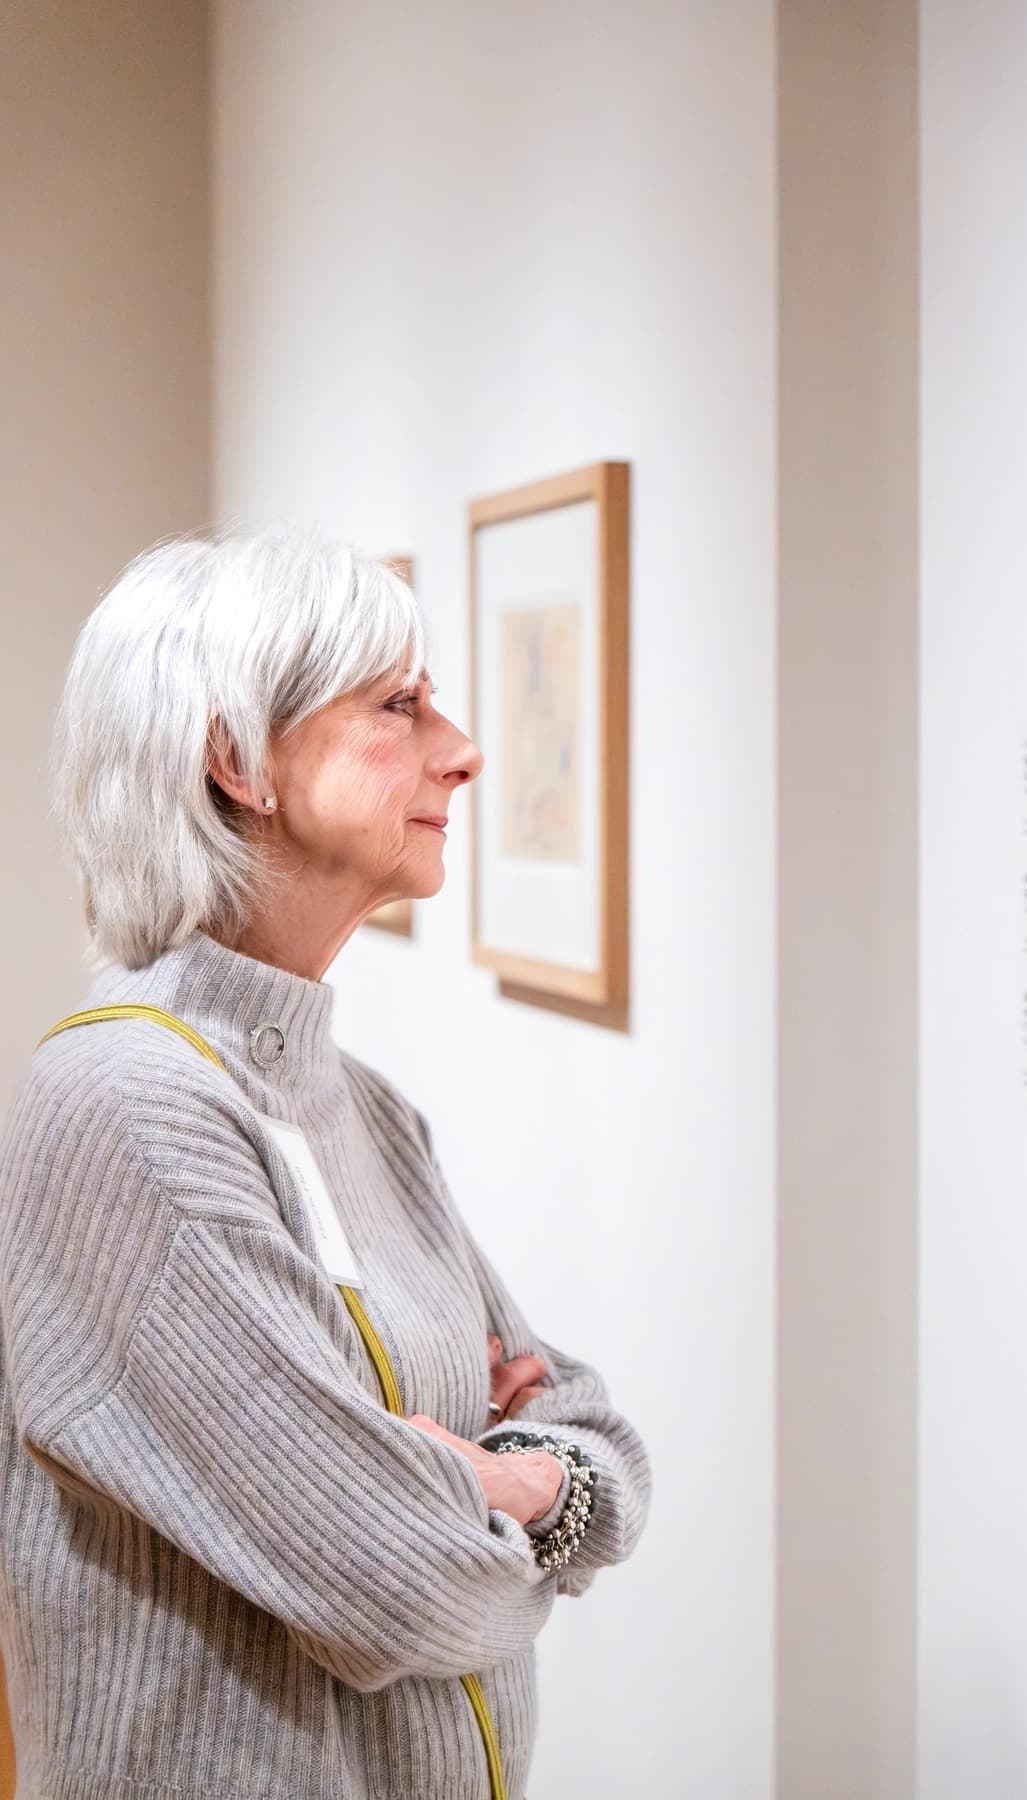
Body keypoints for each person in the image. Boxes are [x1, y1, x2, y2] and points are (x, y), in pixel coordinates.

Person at [0, 527, 650, 1800]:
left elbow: (590, 1424)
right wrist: (491, 1493)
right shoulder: (125, 1111)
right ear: (237, 760)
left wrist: (512, 1478)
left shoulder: (365, 1108)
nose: (462, 750)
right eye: (399, 706)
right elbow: (401, 1584)